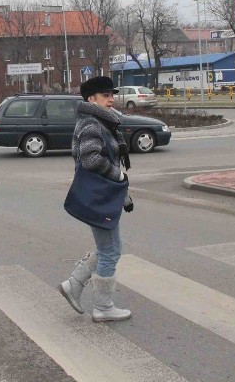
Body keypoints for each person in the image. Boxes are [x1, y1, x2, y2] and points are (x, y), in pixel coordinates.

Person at [59, 76, 134, 322]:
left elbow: (107, 162)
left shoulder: (102, 122)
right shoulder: (92, 124)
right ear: (91, 99)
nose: (111, 99)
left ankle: (74, 284)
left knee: (107, 249)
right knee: (111, 251)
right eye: (105, 95)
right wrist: (119, 175)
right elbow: (92, 160)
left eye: (112, 94)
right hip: (97, 197)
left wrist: (123, 194)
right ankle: (102, 306)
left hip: (100, 196)